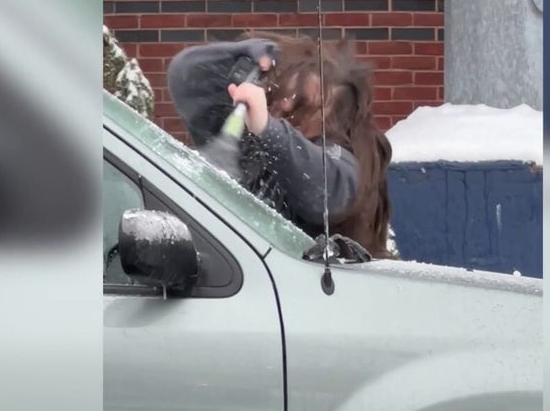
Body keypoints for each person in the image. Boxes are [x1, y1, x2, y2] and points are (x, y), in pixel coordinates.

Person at [166, 31, 395, 258]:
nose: (284, 107)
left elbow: (327, 190)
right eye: (278, 96)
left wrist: (269, 129)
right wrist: (239, 57)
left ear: (333, 116)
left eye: (302, 104)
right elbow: (186, 78)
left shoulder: (343, 163)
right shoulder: (249, 145)